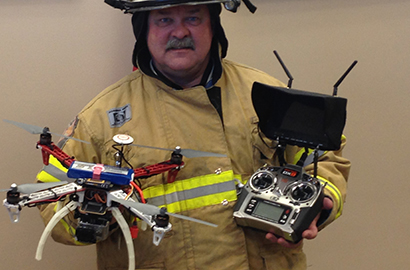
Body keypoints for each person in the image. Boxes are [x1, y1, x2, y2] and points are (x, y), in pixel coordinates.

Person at [37, 1, 350, 269]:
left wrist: (320, 205)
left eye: (193, 17)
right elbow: (52, 198)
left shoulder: (264, 94)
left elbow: (324, 159)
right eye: (164, 19)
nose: (180, 32)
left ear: (213, 26)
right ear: (143, 31)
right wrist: (89, 213)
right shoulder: (101, 118)